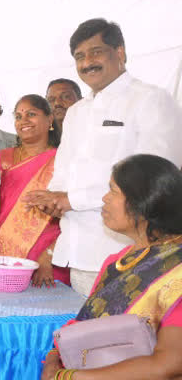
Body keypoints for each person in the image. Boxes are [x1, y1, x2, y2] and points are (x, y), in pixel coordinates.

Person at [23, 18, 182, 296]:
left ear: (119, 53)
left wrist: (71, 200)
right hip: (77, 253)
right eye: (79, 57)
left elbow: (155, 180)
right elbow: (63, 171)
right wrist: (50, 199)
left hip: (130, 254)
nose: (87, 63)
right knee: (84, 334)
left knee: (124, 336)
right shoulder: (76, 112)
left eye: (96, 52)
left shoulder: (150, 100)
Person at [41, 154, 182, 380]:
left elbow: (169, 364)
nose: (105, 199)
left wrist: (67, 377)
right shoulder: (117, 261)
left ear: (143, 201)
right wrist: (53, 358)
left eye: (113, 191)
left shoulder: (176, 271)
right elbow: (85, 326)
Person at [0, 95, 68, 287]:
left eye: (31, 114)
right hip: (1, 257)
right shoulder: (3, 159)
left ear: (50, 119)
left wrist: (49, 257)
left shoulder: (63, 161)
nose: (23, 121)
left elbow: (71, 217)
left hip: (46, 261)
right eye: (18, 116)